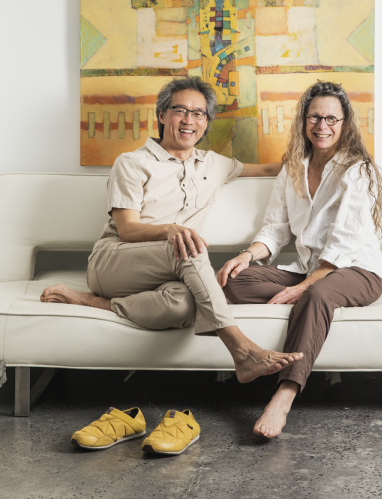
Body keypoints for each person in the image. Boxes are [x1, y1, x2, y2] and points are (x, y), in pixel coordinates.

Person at [41, 77, 302, 386]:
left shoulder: (214, 164)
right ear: (162, 115)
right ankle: (242, 350)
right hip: (113, 263)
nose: (189, 120)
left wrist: (322, 155)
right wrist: (169, 230)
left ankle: (93, 302)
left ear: (206, 122)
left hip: (171, 272)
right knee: (189, 246)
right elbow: (126, 229)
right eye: (180, 110)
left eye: (199, 113)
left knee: (184, 305)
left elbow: (271, 169)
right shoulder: (132, 163)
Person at [217, 81, 382, 438]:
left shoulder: (357, 170)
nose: (322, 126)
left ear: (344, 123)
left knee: (316, 295)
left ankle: (284, 394)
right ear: (304, 121)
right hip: (310, 269)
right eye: (314, 117)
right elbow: (276, 229)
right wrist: (247, 255)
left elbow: (344, 244)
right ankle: (308, 299)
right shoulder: (293, 168)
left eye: (331, 118)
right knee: (234, 280)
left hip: (357, 269)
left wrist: (305, 288)